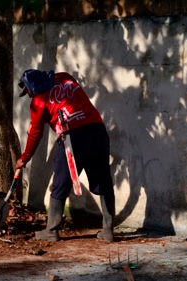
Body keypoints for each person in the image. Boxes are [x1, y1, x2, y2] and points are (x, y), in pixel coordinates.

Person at [15, 69, 115, 242]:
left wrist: (24, 158)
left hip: (73, 136)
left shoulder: (38, 102)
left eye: (29, 92)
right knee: (103, 179)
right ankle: (108, 231)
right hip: (98, 129)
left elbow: (35, 133)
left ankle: (51, 230)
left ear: (31, 89)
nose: (29, 95)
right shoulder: (64, 77)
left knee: (61, 182)